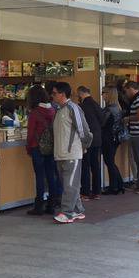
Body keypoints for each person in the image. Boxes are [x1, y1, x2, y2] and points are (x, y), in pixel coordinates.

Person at [50, 82, 91, 224]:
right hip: (60, 153)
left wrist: (84, 145)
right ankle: (77, 210)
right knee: (70, 183)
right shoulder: (59, 110)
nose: (52, 95)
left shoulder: (73, 108)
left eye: (54, 93)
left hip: (71, 153)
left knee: (69, 185)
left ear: (62, 94)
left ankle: (67, 212)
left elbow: (84, 130)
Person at [24, 85, 59, 214]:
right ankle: (52, 204)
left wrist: (28, 148)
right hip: (50, 147)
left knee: (39, 176)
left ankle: (38, 205)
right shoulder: (53, 110)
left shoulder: (34, 113)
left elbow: (31, 133)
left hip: (37, 147)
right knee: (51, 175)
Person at [76, 86, 105, 201]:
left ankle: (85, 192)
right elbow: (102, 120)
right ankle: (97, 191)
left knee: (85, 166)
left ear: (81, 94)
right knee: (95, 165)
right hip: (98, 138)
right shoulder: (96, 104)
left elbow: (81, 125)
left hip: (87, 139)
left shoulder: (82, 107)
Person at [100, 86, 125, 195]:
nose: (102, 95)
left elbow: (102, 123)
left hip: (108, 138)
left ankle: (114, 186)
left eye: (103, 93)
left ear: (108, 94)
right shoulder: (117, 108)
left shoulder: (109, 109)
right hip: (115, 138)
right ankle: (119, 185)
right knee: (110, 161)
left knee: (109, 161)